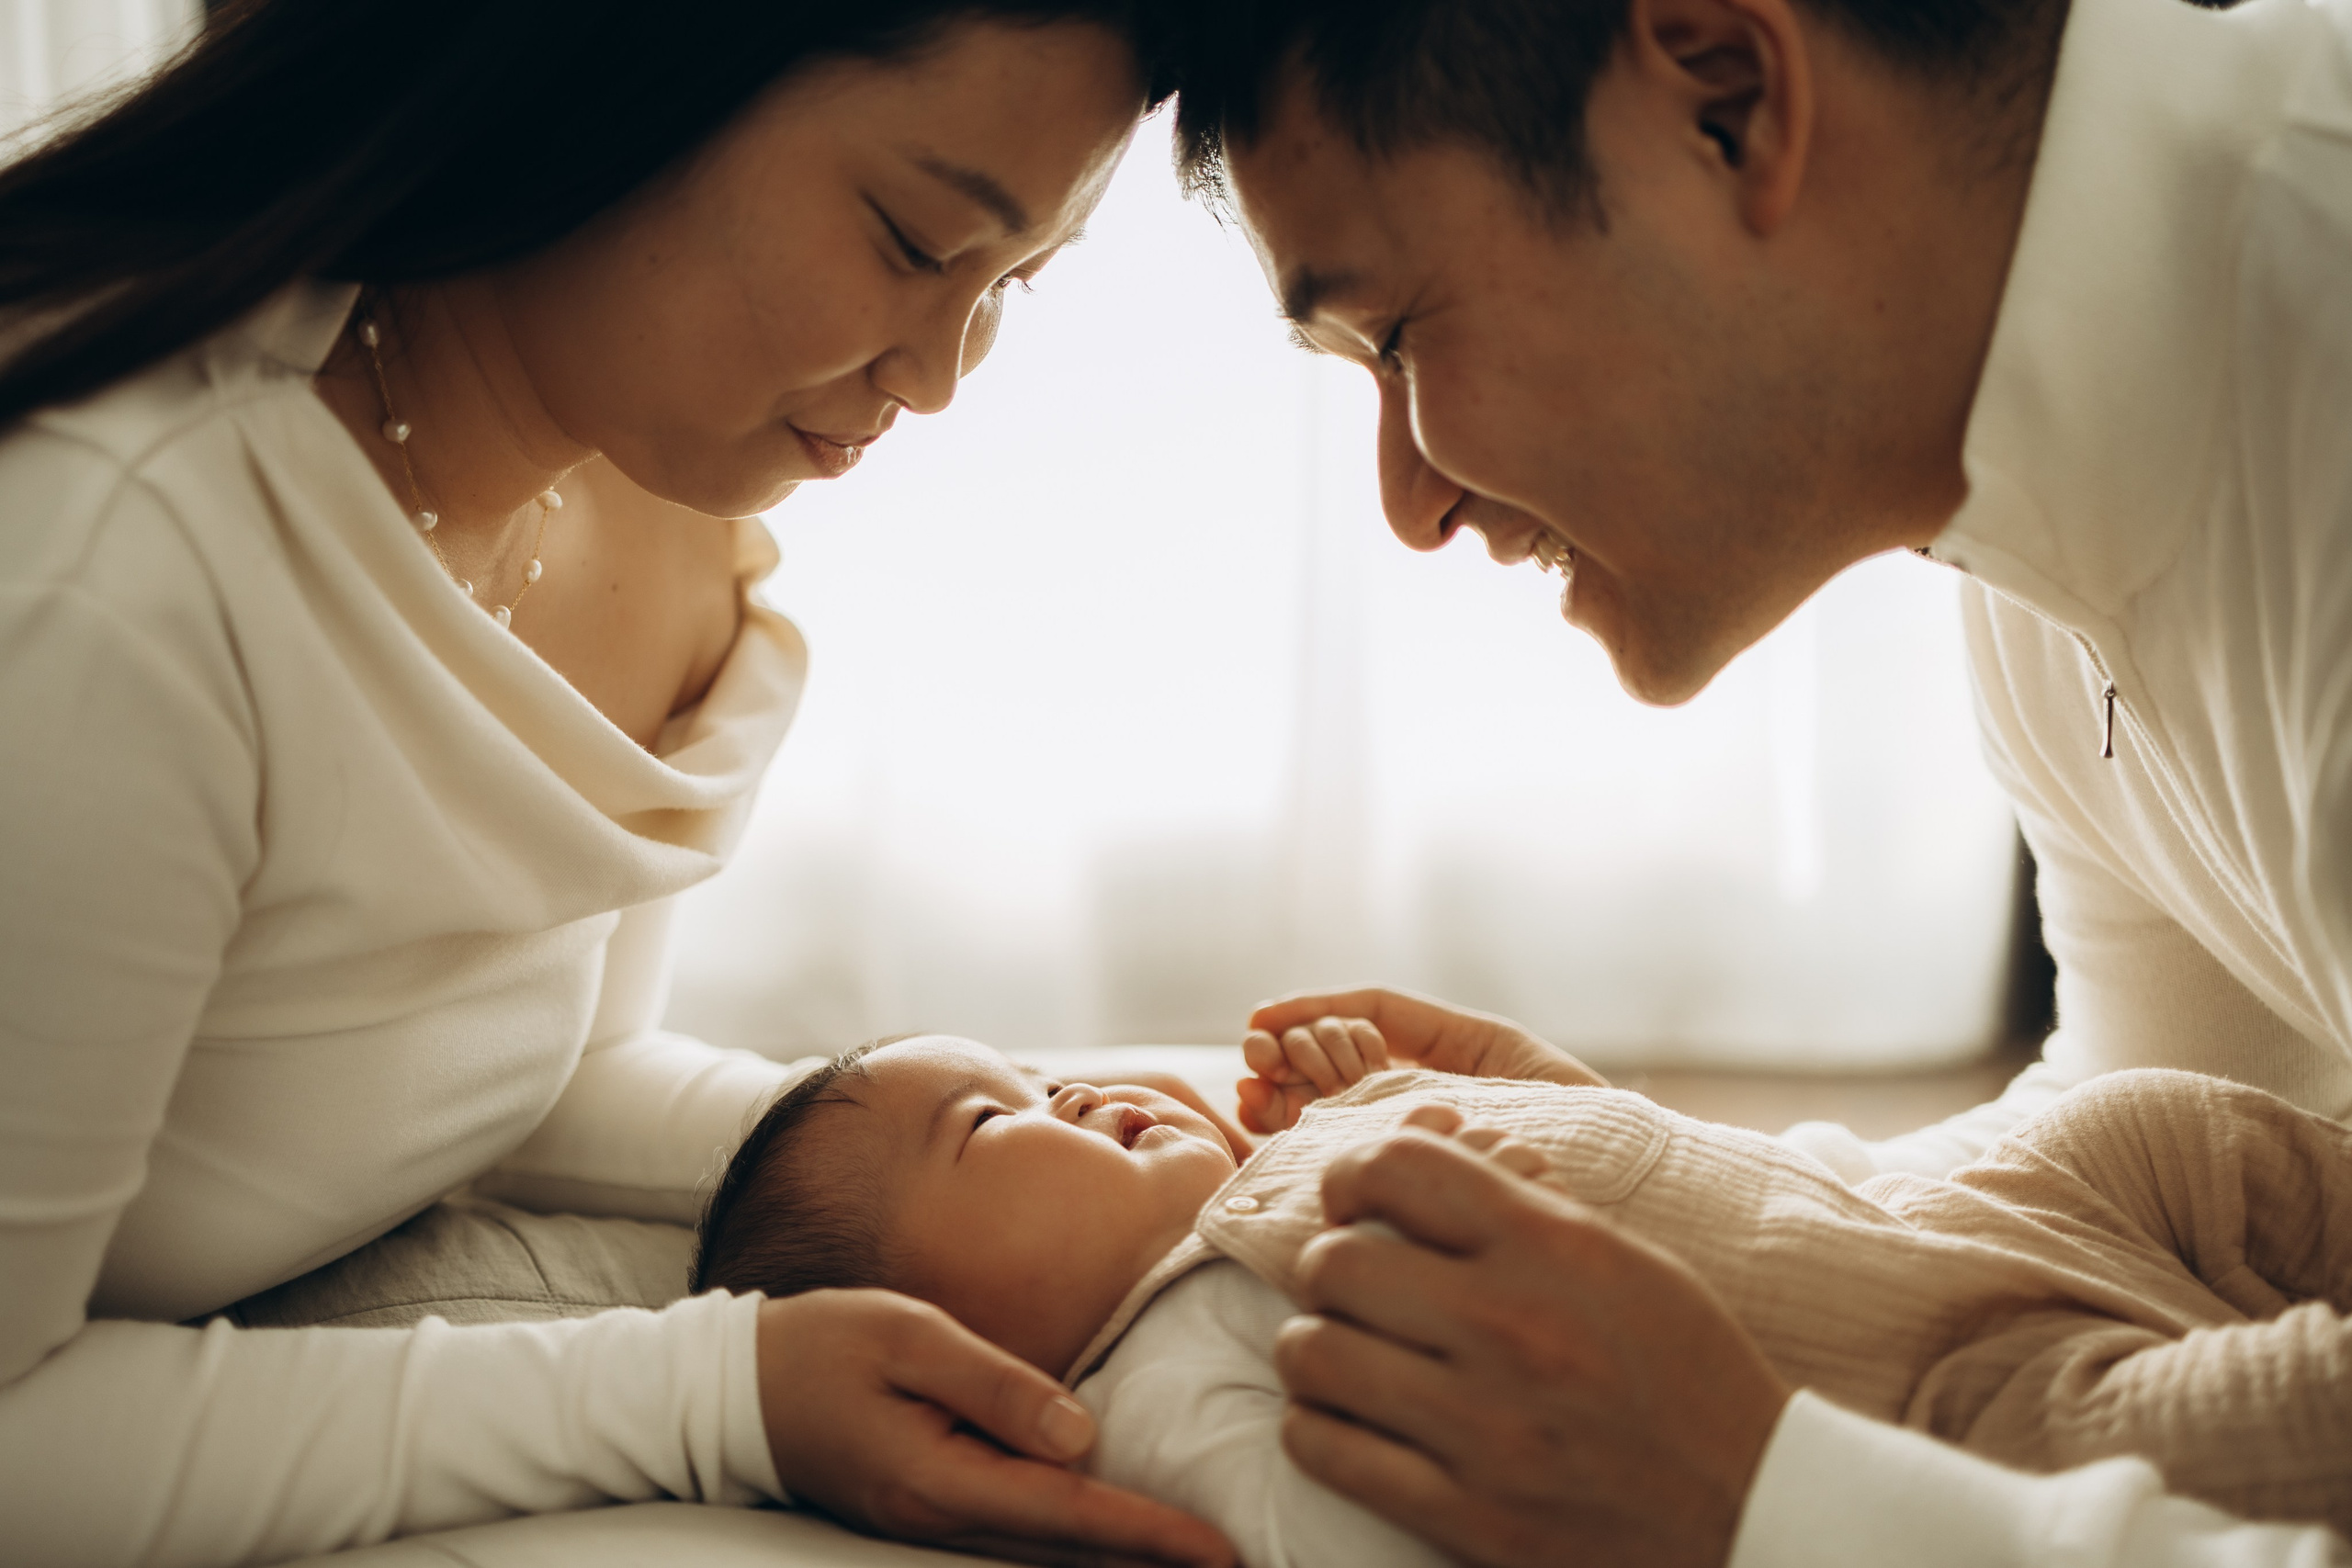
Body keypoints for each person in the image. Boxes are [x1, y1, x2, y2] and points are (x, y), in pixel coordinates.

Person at [0, 4, 1236, 1565]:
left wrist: (981, 1177)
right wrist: (715, 1395)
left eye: (1014, 286)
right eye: (918, 243)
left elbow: (502, 1077)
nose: (937, 380)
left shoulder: (654, 493)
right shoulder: (120, 571)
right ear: (611, 63)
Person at [1161, 0, 2352, 1561]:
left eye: (1393, 335)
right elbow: (2169, 1169)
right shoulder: (2037, 544)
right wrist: (1670, 1194)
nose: (1408, 503)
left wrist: (1755, 1500)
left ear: (1728, 97)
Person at [695, 1030, 2352, 1567]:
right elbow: (1330, 1537)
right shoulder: (1174, 1378)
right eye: (991, 1128)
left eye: (1042, 1072)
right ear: (945, 1353)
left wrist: (1447, 1083)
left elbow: (1651, 1169)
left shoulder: (1294, 1149)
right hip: (1946, 1398)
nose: (1075, 1096)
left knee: (2175, 1124)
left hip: (1942, 1189)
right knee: (2281, 1418)